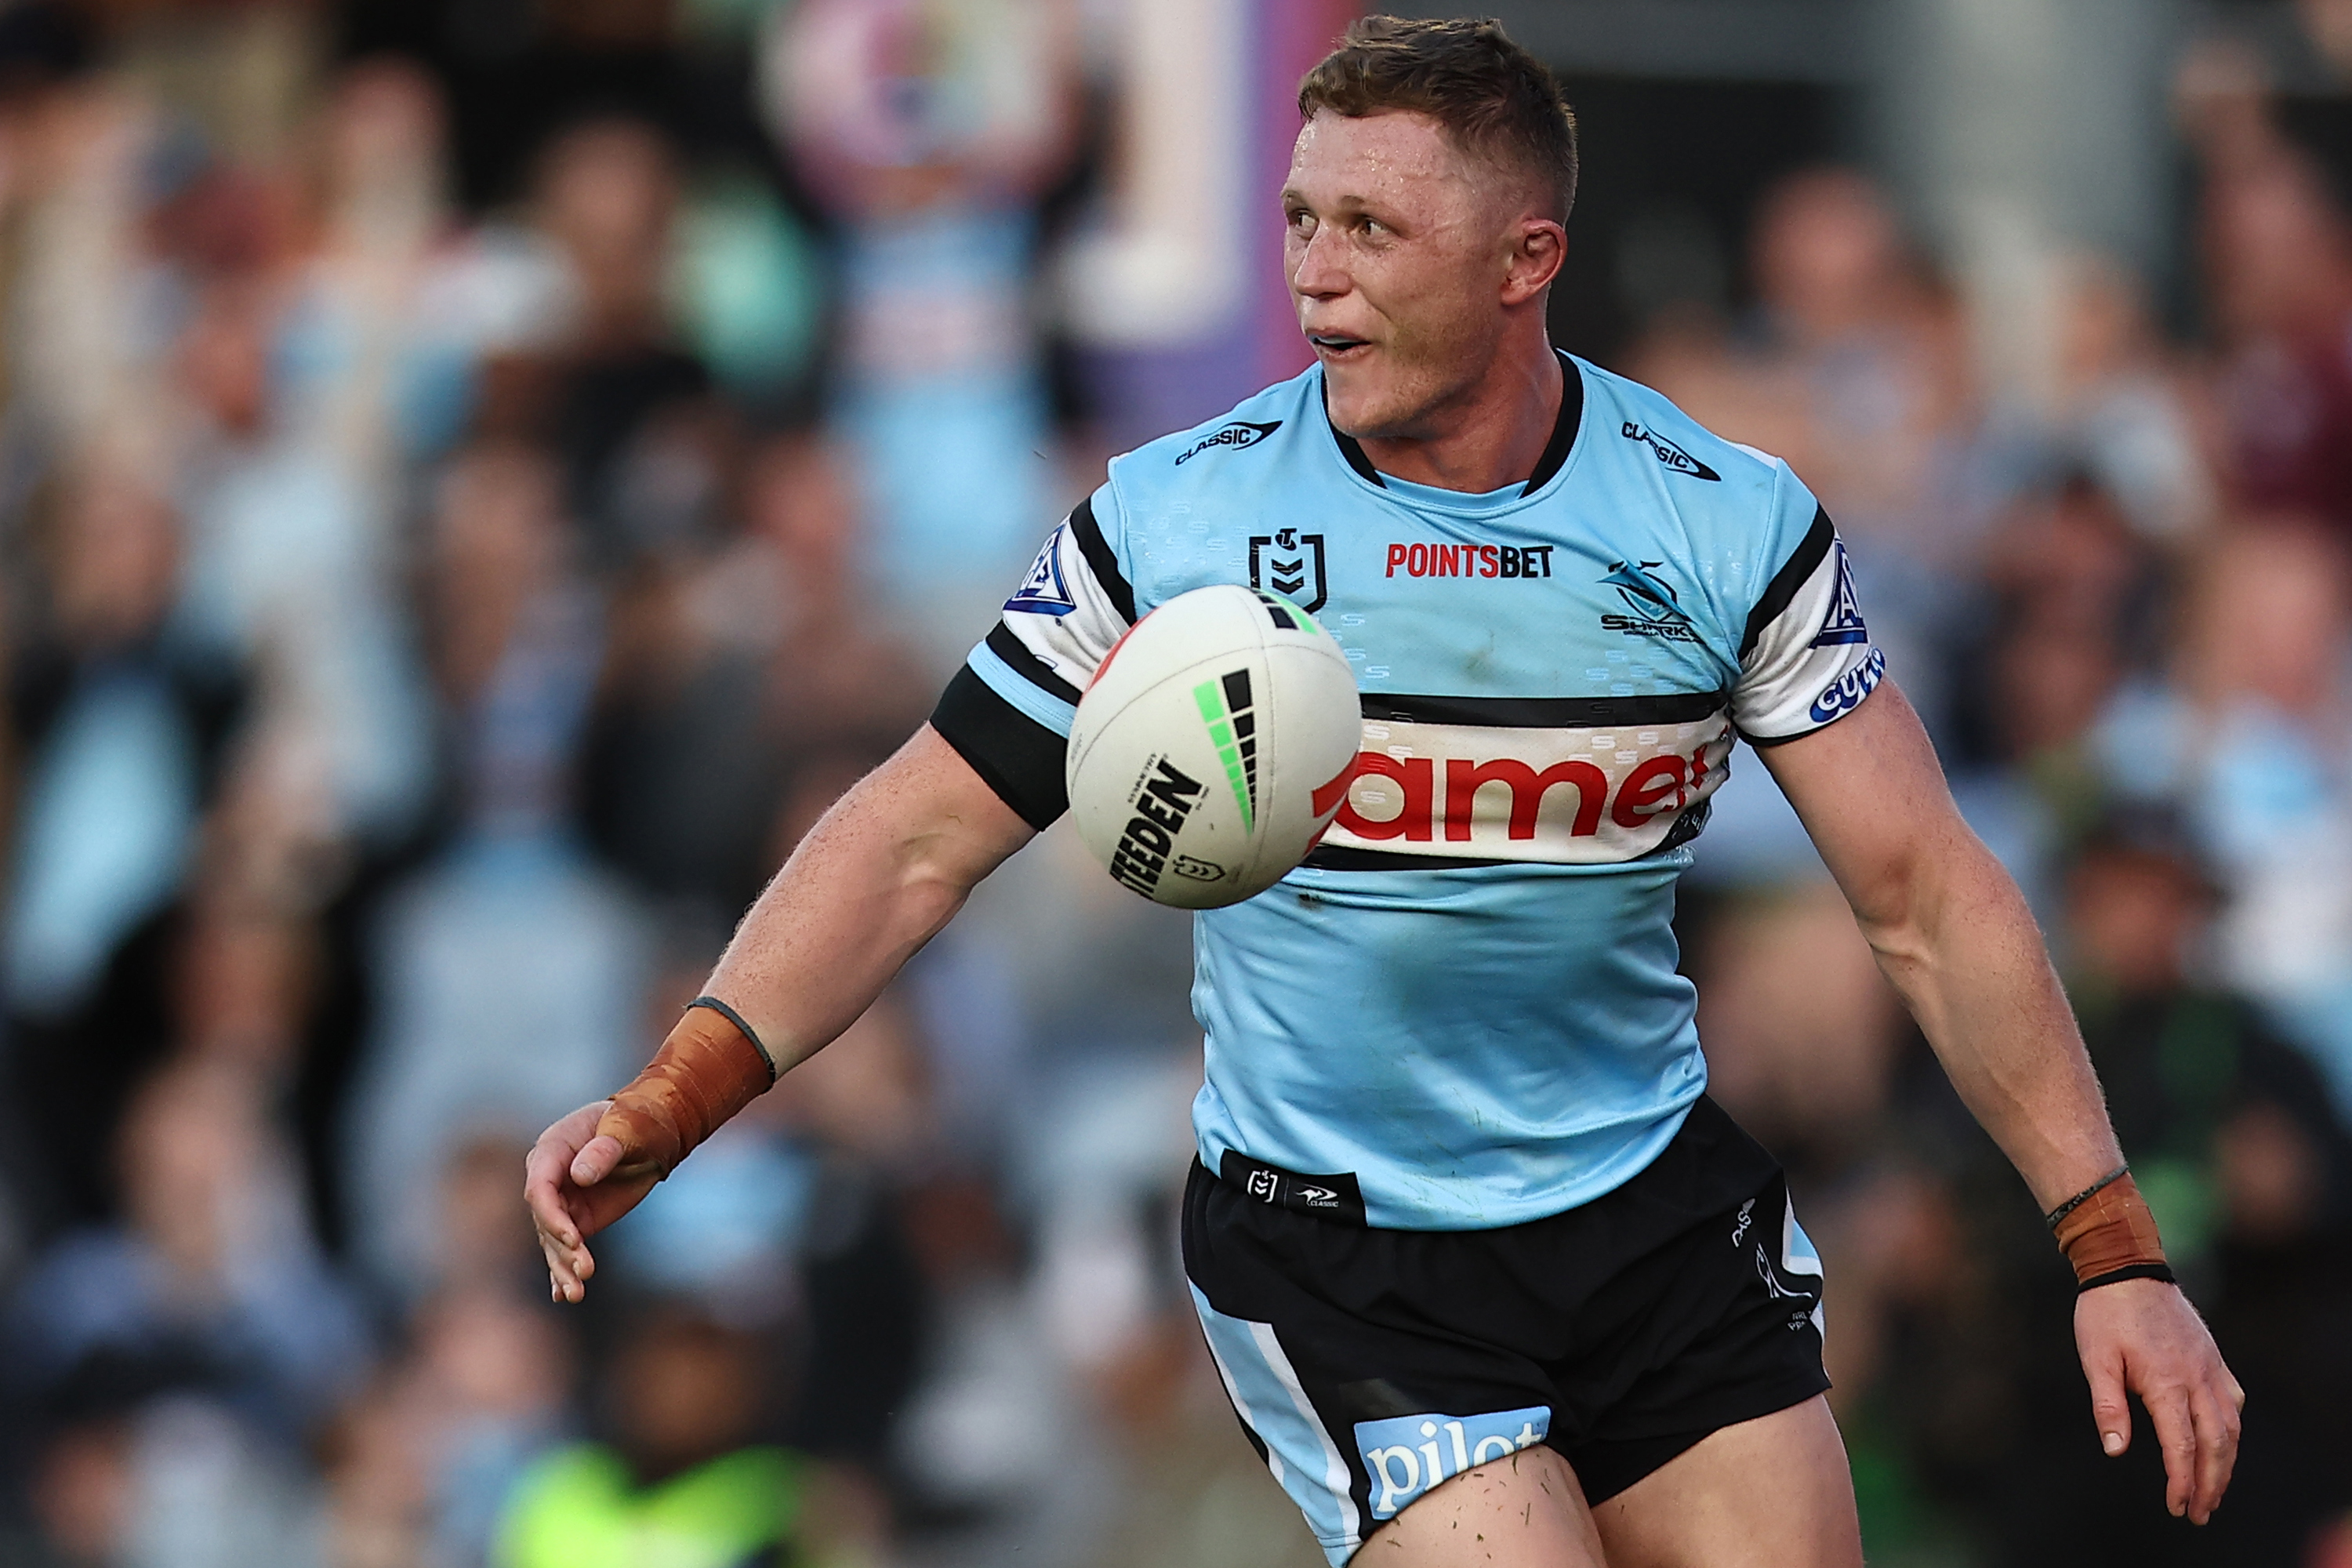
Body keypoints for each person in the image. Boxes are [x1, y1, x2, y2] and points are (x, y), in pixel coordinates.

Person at [527, 18, 2241, 1566]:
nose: (1317, 279)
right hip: (1353, 1255)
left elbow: (1927, 894)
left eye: (1371, 232)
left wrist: (2116, 1252)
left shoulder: (1719, 520)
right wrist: (671, 1096)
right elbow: (911, 837)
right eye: (1298, 223)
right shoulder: (1174, 524)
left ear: (1526, 260)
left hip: (1647, 1212)